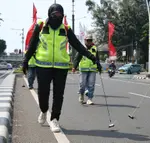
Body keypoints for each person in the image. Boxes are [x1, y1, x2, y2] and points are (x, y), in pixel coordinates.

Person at [22, 3, 99, 132]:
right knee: (43, 93)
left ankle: (54, 119)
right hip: (42, 66)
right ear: (50, 14)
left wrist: (92, 57)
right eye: (55, 15)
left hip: (61, 67)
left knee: (59, 95)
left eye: (60, 15)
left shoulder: (66, 29)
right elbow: (32, 44)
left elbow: (78, 45)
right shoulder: (40, 26)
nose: (57, 18)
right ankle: (44, 110)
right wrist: (25, 60)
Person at [72, 35, 102, 105]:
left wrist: (99, 66)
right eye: (87, 40)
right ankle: (81, 95)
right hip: (83, 69)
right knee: (82, 84)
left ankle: (90, 99)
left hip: (92, 69)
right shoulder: (82, 48)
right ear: (85, 41)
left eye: (90, 40)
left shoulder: (95, 48)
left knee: (91, 85)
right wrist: (74, 67)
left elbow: (97, 59)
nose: (89, 42)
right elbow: (77, 58)